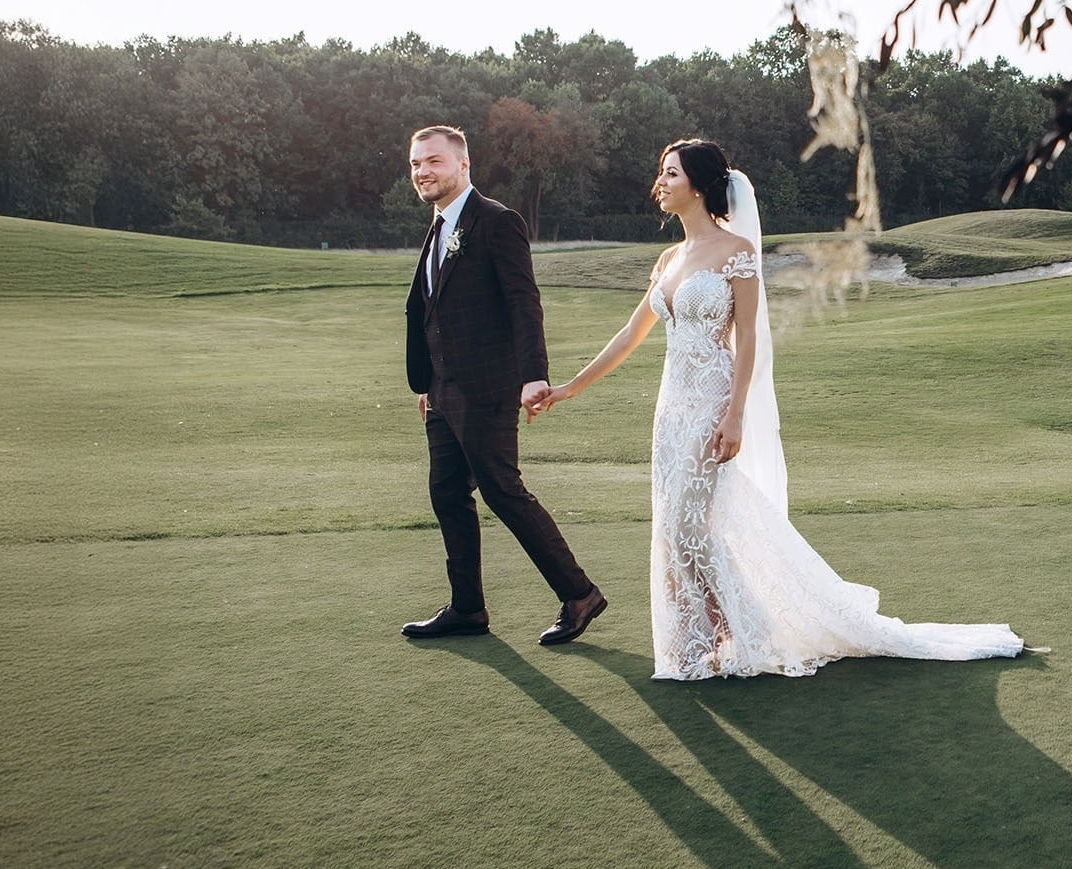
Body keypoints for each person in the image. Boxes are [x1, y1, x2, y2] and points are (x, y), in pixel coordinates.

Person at [530, 139, 1023, 679]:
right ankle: (703, 641)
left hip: (714, 401)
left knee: (691, 529)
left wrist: (735, 413)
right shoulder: (669, 259)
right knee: (675, 527)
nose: (661, 182)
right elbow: (631, 333)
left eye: (671, 173)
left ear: (698, 185)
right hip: (671, 409)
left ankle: (744, 631)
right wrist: (568, 388)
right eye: (661, 173)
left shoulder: (737, 250)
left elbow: (748, 342)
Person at [399, 125, 607, 646]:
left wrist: (533, 374)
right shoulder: (437, 228)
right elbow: (434, 308)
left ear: (463, 165)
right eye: (416, 164)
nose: (423, 171)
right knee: (446, 492)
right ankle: (467, 608)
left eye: (434, 161)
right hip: (443, 391)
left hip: (489, 386)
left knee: (502, 490)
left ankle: (579, 594)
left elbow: (522, 301)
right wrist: (428, 381)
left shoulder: (496, 221)